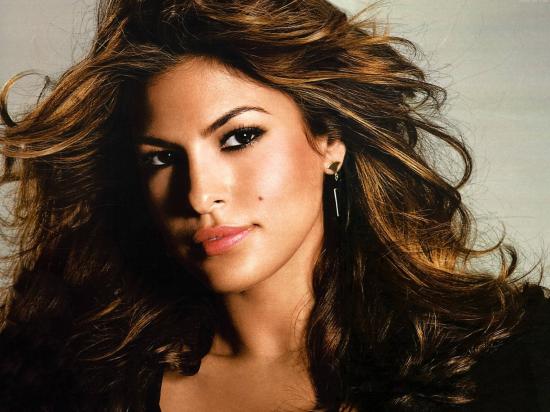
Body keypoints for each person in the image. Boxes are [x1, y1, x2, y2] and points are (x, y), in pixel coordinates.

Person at [0, 0, 548, 411]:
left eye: (239, 137)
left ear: (329, 139)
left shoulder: (516, 354)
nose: (199, 195)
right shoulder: (62, 384)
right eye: (161, 159)